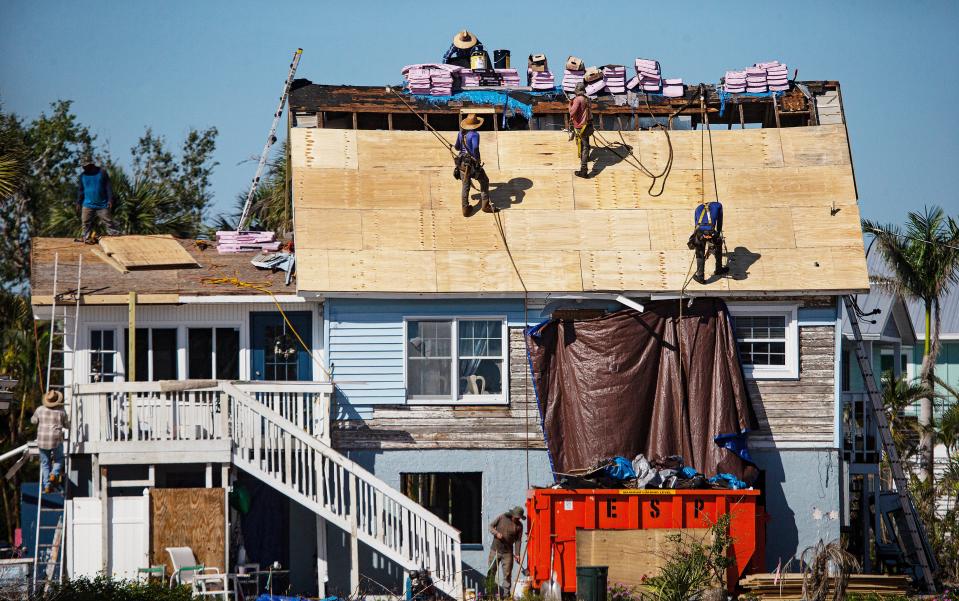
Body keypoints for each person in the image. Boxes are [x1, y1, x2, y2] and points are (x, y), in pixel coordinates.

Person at [454, 114, 492, 216]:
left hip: (462, 164)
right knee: (484, 180)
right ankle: (485, 205)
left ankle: (465, 209)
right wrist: (477, 159)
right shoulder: (475, 135)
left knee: (465, 186)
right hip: (471, 164)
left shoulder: (460, 133)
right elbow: (475, 148)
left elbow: (457, 148)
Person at [31, 391, 69, 494]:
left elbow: (33, 421)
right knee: (59, 459)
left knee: (45, 463)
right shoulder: (61, 411)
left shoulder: (40, 409)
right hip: (55, 439)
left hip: (42, 439)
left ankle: (47, 485)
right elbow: (67, 425)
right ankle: (54, 474)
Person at [76, 156, 119, 243]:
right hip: (87, 204)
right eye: (83, 166)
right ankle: (86, 237)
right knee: (85, 222)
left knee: (108, 221)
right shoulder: (82, 176)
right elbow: (81, 191)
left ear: (91, 165)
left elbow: (108, 187)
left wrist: (110, 199)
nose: (84, 168)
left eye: (86, 166)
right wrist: (78, 202)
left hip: (102, 203)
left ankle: (114, 235)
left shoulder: (102, 172)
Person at [688, 200, 729, 284]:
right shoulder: (718, 205)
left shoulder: (698, 208)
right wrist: (718, 233)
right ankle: (718, 269)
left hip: (699, 232)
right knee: (718, 245)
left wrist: (699, 238)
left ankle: (700, 276)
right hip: (711, 231)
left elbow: (696, 224)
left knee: (699, 252)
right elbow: (720, 222)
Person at [488, 505, 525, 596]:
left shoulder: (519, 526)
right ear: (512, 515)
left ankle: (506, 596)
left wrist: (517, 554)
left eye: (519, 518)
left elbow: (518, 541)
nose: (517, 519)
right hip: (495, 550)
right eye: (516, 517)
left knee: (507, 575)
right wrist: (496, 534)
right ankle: (489, 594)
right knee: (491, 572)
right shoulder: (502, 517)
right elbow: (490, 526)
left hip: (508, 553)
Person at [568, 83, 593, 178]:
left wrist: (570, 105)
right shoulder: (587, 99)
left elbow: (571, 112)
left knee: (583, 146)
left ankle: (583, 170)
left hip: (580, 127)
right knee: (585, 145)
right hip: (587, 126)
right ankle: (585, 160)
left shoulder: (577, 100)